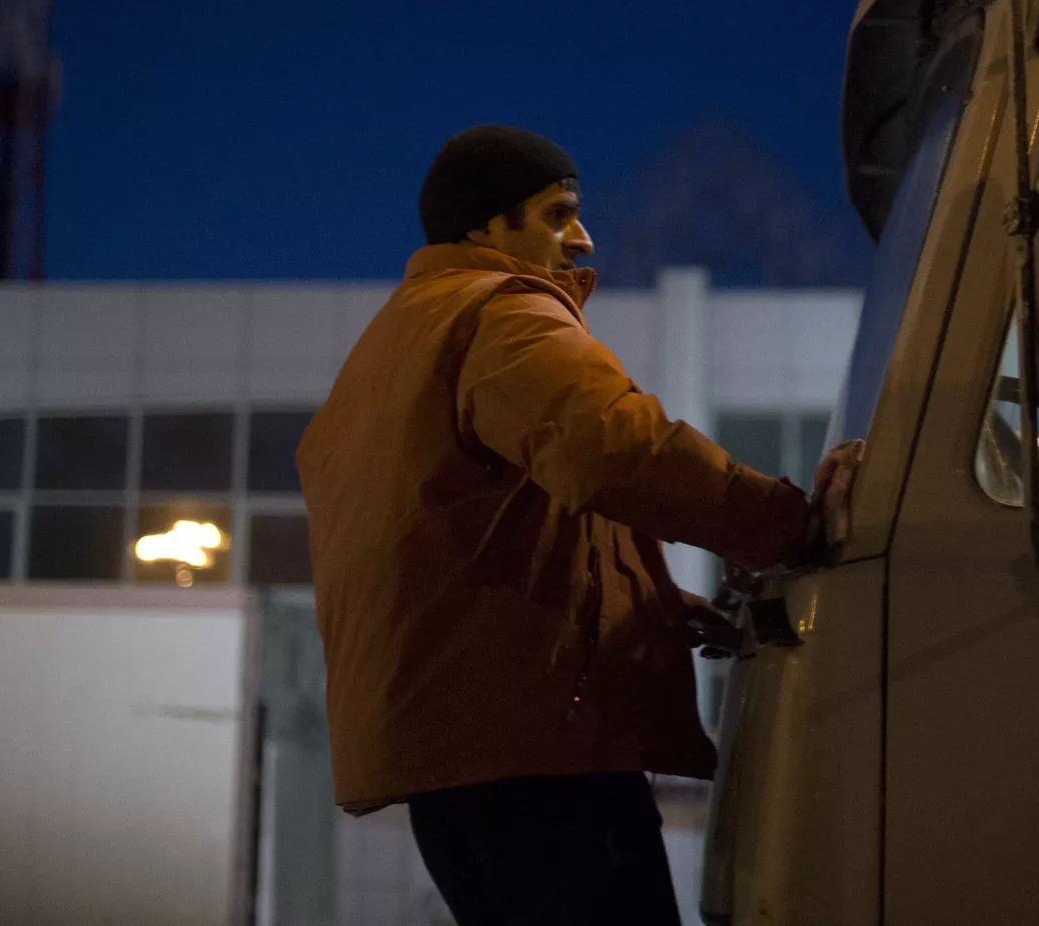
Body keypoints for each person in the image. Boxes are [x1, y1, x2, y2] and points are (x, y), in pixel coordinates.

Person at [296, 124, 863, 926]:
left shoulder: (393, 345)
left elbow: (476, 538)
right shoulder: (500, 314)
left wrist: (650, 611)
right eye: (557, 214)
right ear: (486, 226)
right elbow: (616, 452)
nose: (583, 237)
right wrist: (792, 526)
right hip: (535, 751)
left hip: (456, 752)